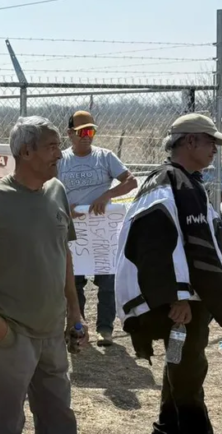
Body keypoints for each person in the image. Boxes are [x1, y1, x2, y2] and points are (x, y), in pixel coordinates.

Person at [0, 116, 87, 434]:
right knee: (7, 420)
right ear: (26, 153)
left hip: (53, 331)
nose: (60, 153)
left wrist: (74, 312)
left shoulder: (57, 190)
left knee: (59, 417)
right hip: (11, 332)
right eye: (52, 146)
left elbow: (63, 255)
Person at [115, 113, 222, 434]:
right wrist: (175, 297)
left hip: (188, 299)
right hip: (181, 302)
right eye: (210, 141)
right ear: (190, 141)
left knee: (178, 362)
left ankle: (167, 425)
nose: (215, 149)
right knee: (190, 369)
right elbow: (153, 243)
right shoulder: (171, 181)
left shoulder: (187, 181)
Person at [58, 111, 137, 346]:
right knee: (74, 281)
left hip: (102, 229)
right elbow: (47, 188)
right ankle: (78, 326)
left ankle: (105, 329)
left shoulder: (105, 157)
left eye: (90, 131)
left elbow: (131, 181)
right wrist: (64, 208)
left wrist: (108, 194)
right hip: (75, 230)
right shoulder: (61, 160)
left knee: (107, 280)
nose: (86, 136)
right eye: (81, 132)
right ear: (70, 133)